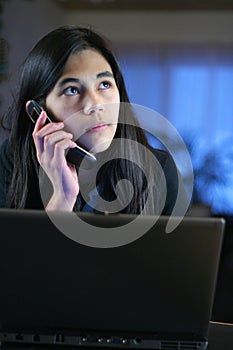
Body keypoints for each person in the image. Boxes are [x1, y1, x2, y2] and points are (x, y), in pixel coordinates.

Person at [0, 25, 188, 215]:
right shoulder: (11, 163)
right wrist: (62, 199)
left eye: (104, 84)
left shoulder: (159, 170)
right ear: (39, 110)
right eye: (72, 90)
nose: (95, 104)